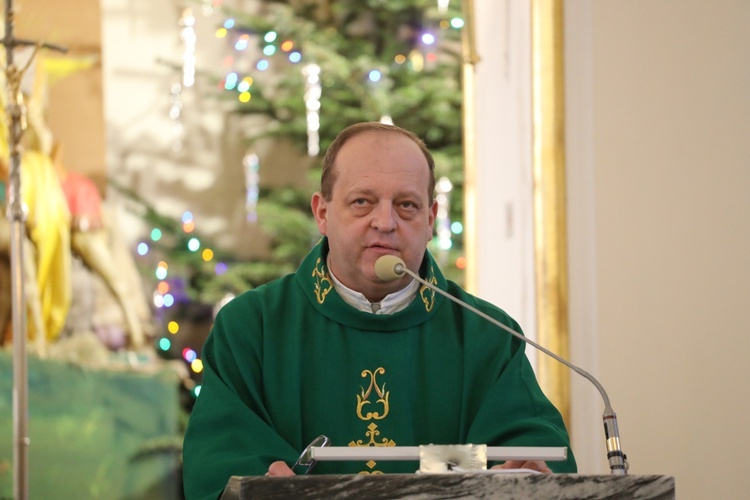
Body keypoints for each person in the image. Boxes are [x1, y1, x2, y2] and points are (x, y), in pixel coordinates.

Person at [182, 122, 576, 499]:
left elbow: (532, 456)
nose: (385, 223)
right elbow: (221, 462)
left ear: (431, 219)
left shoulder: (487, 334)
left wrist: (513, 475)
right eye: (361, 202)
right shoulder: (253, 327)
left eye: (406, 205)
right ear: (322, 213)